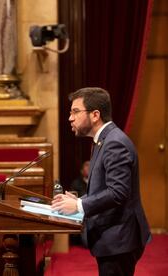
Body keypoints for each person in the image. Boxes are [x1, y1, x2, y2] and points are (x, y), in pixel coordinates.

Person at [52, 87, 150, 276]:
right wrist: (77, 199)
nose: (70, 118)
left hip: (119, 239)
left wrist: (79, 204)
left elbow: (117, 192)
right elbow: (105, 187)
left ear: (95, 114)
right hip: (113, 236)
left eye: (75, 111)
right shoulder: (102, 140)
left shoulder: (114, 143)